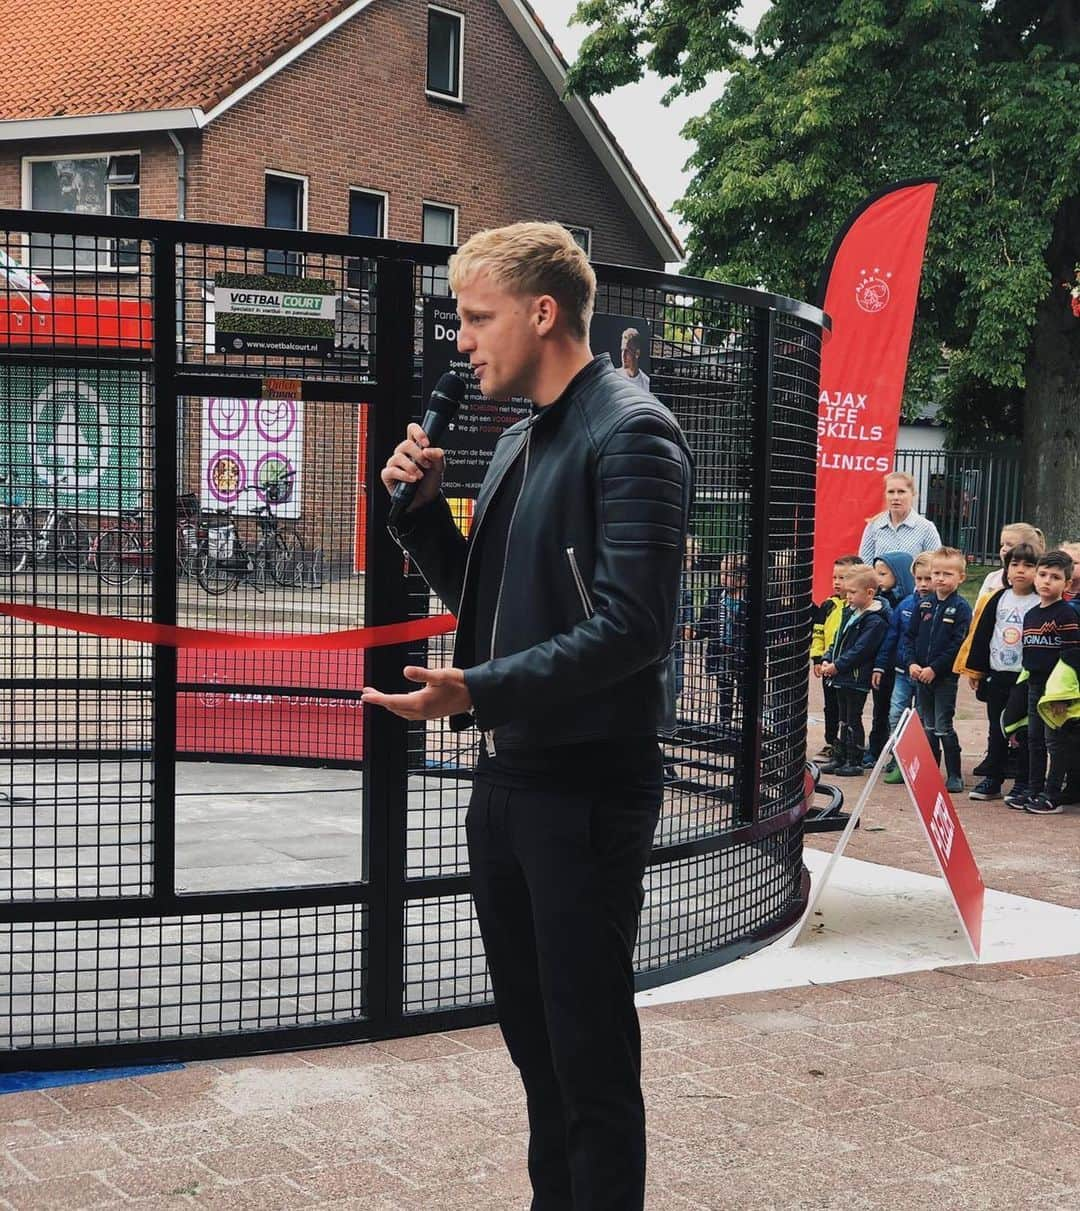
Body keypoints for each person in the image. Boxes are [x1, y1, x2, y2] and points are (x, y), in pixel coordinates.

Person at [364, 221, 693, 1211]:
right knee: (537, 1049)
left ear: (542, 311)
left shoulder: (632, 431)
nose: (461, 343)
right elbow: (490, 603)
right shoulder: (516, 439)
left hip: (587, 785)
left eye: (475, 316)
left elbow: (635, 626)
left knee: (587, 1058)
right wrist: (422, 513)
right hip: (508, 779)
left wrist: (481, 688)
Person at [954, 543, 1041, 801]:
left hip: (1025, 677)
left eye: (1028, 565)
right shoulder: (997, 599)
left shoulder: (1040, 602)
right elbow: (982, 635)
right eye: (1015, 565)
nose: (1021, 571)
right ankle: (993, 778)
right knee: (996, 727)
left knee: (1021, 731)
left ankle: (1023, 782)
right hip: (997, 673)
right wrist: (977, 671)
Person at [1012, 550, 1080, 814]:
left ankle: (1053, 795)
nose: (1046, 581)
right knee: (1034, 740)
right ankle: (1033, 789)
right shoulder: (1030, 615)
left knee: (1055, 743)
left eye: (1055, 577)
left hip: (1055, 693)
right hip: (1034, 687)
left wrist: (1062, 696)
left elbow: (1073, 655)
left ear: (1067, 583)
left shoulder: (1066, 615)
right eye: (1042, 575)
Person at [906, 546, 972, 793]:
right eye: (936, 573)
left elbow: (958, 644)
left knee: (944, 725)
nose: (940, 579)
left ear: (960, 577)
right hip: (920, 676)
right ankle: (931, 772)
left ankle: (954, 774)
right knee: (927, 726)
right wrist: (911, 662)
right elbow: (910, 637)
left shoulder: (961, 608)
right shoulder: (924, 605)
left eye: (947, 573)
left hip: (944, 678)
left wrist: (935, 668)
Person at [819, 565, 890, 777]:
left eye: (852, 592)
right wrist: (827, 658)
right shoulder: (849, 612)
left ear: (869, 593)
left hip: (856, 677)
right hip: (841, 674)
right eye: (847, 592)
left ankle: (854, 758)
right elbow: (838, 639)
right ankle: (840, 755)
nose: (847, 596)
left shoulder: (875, 620)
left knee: (853, 717)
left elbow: (861, 650)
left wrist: (837, 665)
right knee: (842, 716)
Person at [880, 552, 934, 784]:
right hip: (902, 672)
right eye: (919, 579)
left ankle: (918, 761)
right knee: (895, 713)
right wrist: (880, 665)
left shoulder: (943, 607)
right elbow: (892, 637)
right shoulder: (905, 605)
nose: (923, 584)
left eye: (928, 579)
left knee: (922, 719)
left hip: (927, 674)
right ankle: (897, 757)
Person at [864, 552, 916, 764]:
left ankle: (901, 754)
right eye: (876, 573)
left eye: (883, 574)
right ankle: (876, 747)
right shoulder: (876, 601)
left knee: (901, 710)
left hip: (903, 665)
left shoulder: (907, 604)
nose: (878, 579)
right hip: (883, 663)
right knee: (880, 708)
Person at [811, 553, 862, 760]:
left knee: (847, 707)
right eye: (835, 578)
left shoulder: (858, 607)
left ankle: (848, 744)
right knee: (830, 704)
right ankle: (831, 741)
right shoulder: (828, 605)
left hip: (848, 666)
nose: (838, 583)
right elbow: (818, 632)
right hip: (827, 663)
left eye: (843, 578)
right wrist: (817, 658)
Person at [695, 551, 747, 735]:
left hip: (742, 655)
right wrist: (694, 632)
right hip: (721, 651)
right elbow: (706, 623)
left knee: (744, 692)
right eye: (722, 573)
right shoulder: (717, 596)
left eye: (728, 574)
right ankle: (725, 724)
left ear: (742, 580)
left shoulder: (748, 600)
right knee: (724, 690)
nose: (723, 578)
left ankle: (746, 727)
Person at [858, 471, 942, 565]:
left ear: (913, 494)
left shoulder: (926, 528)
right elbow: (865, 566)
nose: (895, 497)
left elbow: (936, 565)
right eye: (891, 492)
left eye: (901, 492)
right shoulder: (874, 526)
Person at [976, 522, 1046, 597]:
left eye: (1010, 545)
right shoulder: (992, 578)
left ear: (1028, 548)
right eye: (1002, 545)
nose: (1003, 549)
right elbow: (981, 606)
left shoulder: (1041, 579)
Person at [618, 327, 651, 393]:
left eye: (627, 351)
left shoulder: (646, 384)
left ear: (637, 353)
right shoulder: (614, 377)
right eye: (622, 350)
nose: (623, 355)